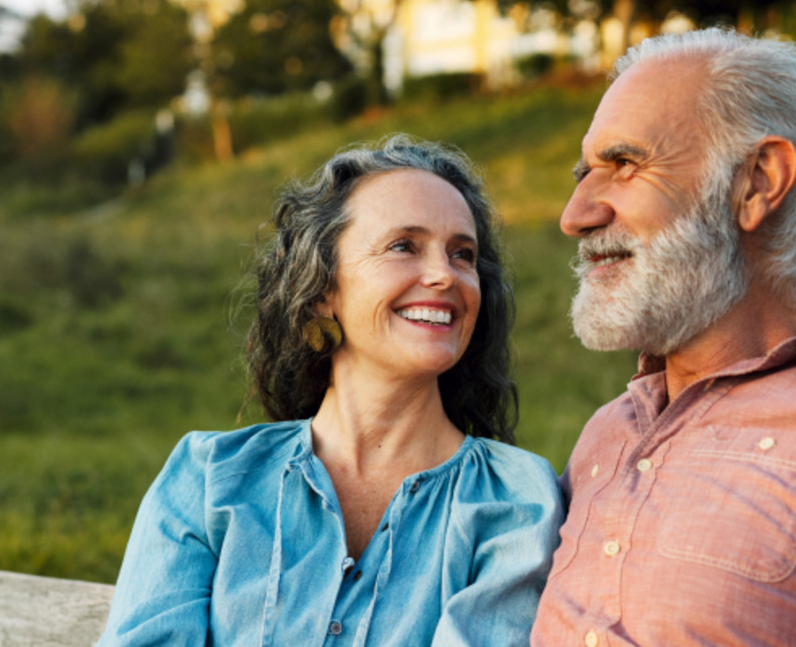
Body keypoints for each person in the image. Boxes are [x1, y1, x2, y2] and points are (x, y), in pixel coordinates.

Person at [98, 135, 563, 646]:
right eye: (403, 246)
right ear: (322, 289)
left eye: (463, 254)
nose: (443, 275)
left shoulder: (516, 501)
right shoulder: (208, 480)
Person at [531, 27, 796, 645]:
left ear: (757, 182)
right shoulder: (606, 433)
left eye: (624, 165)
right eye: (584, 172)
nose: (575, 215)